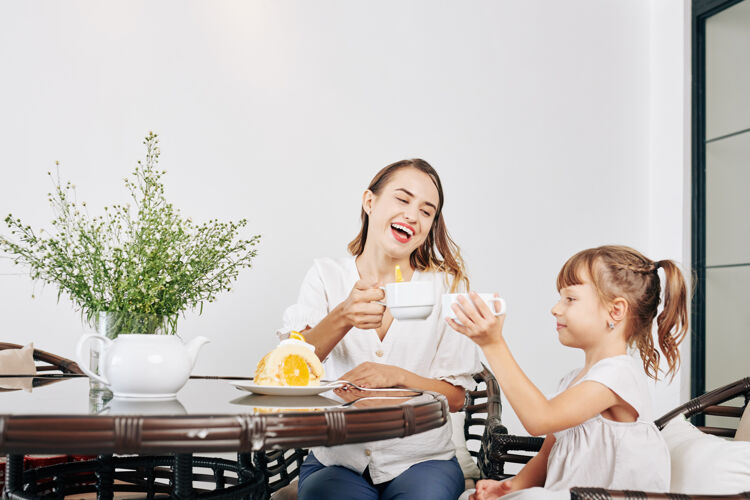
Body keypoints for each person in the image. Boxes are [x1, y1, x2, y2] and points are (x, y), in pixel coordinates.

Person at [278, 159, 482, 500]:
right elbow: (291, 370)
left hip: (424, 461)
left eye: (426, 211)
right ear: (369, 202)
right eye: (402, 199)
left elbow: (457, 398)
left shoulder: (447, 287)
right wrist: (343, 316)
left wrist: (396, 376)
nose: (413, 216)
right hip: (337, 461)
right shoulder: (325, 277)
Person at [450, 245, 688, 499]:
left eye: (570, 299)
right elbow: (546, 455)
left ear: (615, 311)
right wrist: (509, 487)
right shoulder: (572, 381)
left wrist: (493, 345)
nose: (556, 308)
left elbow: (539, 420)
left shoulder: (619, 374)